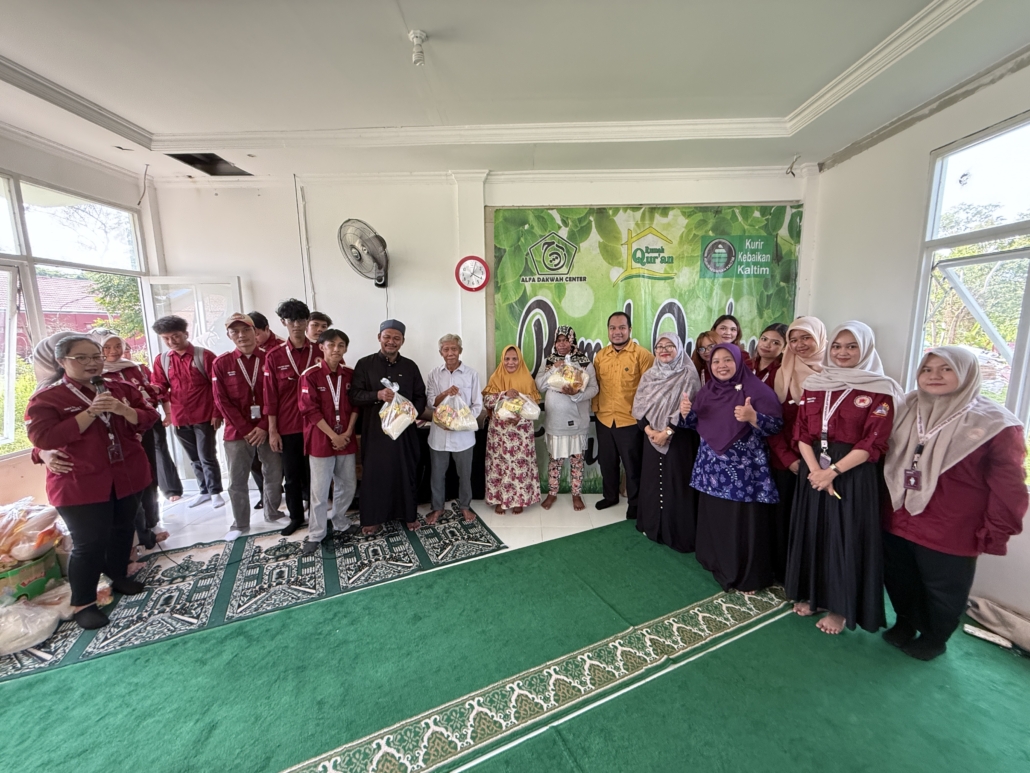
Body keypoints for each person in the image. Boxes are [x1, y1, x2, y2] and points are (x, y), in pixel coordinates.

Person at [883, 347, 1027, 661]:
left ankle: (935, 637)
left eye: (946, 368)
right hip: (897, 514)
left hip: (950, 525)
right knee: (898, 576)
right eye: (927, 369)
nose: (934, 376)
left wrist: (995, 531)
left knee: (943, 588)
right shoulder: (905, 407)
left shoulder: (996, 425)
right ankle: (905, 621)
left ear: (966, 373)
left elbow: (1009, 487)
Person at [25, 335, 159, 629]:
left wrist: (124, 410)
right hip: (80, 482)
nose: (92, 363)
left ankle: (118, 575)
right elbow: (43, 438)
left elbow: (150, 417)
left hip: (127, 474)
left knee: (123, 528)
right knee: (89, 542)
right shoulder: (48, 398)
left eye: (96, 356)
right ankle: (83, 603)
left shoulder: (120, 389)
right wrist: (90, 413)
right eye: (82, 358)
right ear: (61, 361)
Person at [785, 321, 902, 635]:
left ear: (865, 349)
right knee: (814, 532)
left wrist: (832, 472)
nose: (842, 352)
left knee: (844, 537)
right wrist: (816, 472)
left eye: (852, 346)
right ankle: (814, 595)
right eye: (837, 346)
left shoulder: (880, 388)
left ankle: (839, 607)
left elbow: (873, 441)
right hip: (814, 470)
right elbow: (802, 434)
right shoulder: (816, 383)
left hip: (852, 474)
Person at [677, 344, 782, 591]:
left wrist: (753, 417)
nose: (721, 366)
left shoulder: (757, 391)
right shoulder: (708, 390)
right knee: (715, 517)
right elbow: (697, 424)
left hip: (742, 473)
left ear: (738, 362)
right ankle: (713, 560)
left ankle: (741, 572)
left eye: (727, 360)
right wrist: (686, 414)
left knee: (739, 522)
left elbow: (777, 426)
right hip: (711, 469)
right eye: (715, 361)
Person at [211, 314, 285, 540]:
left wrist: (263, 426)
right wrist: (245, 429)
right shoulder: (221, 363)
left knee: (274, 472)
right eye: (235, 332)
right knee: (237, 479)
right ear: (229, 336)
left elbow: (277, 396)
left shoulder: (270, 358)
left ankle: (273, 512)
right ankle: (240, 524)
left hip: (268, 427)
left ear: (256, 332)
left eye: (246, 330)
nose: (241, 335)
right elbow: (221, 401)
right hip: (237, 432)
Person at [349, 320, 427, 533]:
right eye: (387, 337)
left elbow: (420, 396)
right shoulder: (365, 364)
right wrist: (378, 395)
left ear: (402, 341)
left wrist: (410, 413)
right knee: (376, 474)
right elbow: (355, 395)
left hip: (404, 432)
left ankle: (408, 514)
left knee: (406, 471)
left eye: (396, 338)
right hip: (376, 432)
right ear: (379, 338)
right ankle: (374, 517)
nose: (391, 342)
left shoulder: (410, 366)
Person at [766, 316, 827, 582]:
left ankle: (812, 578)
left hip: (825, 466)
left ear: (820, 339)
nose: (799, 344)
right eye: (793, 339)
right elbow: (771, 422)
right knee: (783, 519)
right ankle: (785, 574)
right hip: (787, 462)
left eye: (806, 338)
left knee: (815, 524)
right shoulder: (781, 375)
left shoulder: (834, 375)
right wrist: (788, 458)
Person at [100, 334, 170, 549]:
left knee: (147, 474)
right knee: (123, 485)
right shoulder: (95, 377)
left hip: (142, 427)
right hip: (114, 438)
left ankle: (152, 521)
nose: (113, 351)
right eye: (107, 347)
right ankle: (136, 535)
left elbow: (149, 396)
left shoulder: (134, 368)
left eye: (117, 346)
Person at [632, 334, 701, 552]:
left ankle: (676, 533)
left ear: (679, 348)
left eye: (670, 345)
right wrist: (650, 431)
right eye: (659, 346)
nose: (664, 350)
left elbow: (690, 408)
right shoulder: (649, 376)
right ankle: (653, 527)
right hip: (652, 437)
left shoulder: (688, 374)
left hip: (679, 440)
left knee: (676, 485)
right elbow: (639, 408)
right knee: (652, 483)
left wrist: (668, 432)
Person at [150, 315, 223, 509]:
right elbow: (160, 385)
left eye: (175, 336)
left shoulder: (204, 356)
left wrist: (217, 413)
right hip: (180, 417)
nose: (171, 341)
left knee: (207, 455)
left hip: (204, 414)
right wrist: (153, 390)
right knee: (194, 457)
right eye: (166, 338)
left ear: (185, 334)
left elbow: (218, 388)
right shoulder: (162, 360)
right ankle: (204, 490)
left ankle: (215, 491)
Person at [298, 328, 360, 555]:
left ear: (346, 349)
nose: (336, 349)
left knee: (348, 484)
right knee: (320, 490)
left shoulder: (350, 374)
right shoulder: (310, 375)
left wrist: (347, 433)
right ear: (321, 347)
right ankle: (316, 533)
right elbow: (309, 410)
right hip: (321, 440)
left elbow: (356, 406)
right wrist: (334, 436)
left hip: (346, 438)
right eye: (331, 345)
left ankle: (341, 521)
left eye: (341, 345)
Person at [591, 311, 654, 519]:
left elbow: (650, 390)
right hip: (604, 419)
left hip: (630, 420)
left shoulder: (642, 355)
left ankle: (635, 503)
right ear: (608, 330)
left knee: (632, 465)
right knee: (607, 462)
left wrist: (645, 418)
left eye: (621, 327)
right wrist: (595, 409)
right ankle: (610, 496)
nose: (617, 332)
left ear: (629, 329)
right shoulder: (601, 356)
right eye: (613, 328)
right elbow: (596, 386)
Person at [264, 298, 315, 535]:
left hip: (316, 425)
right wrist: (273, 430)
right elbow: (270, 397)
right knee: (292, 477)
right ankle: (296, 517)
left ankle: (317, 516)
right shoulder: (274, 356)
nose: (296, 325)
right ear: (283, 322)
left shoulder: (320, 351)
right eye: (291, 320)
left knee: (316, 474)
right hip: (289, 426)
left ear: (307, 321)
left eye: (301, 319)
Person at [535, 326, 598, 512]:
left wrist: (576, 395)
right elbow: (539, 386)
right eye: (559, 340)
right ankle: (552, 493)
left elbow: (594, 388)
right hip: (555, 422)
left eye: (566, 340)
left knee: (577, 460)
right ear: (555, 342)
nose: (562, 344)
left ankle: (576, 494)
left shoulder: (584, 362)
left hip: (577, 422)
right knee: (555, 460)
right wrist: (554, 369)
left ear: (572, 341)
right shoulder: (549, 361)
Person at [426, 334, 484, 524]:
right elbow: (431, 403)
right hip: (439, 434)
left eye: (454, 349)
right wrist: (445, 393)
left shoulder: (471, 374)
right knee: (437, 474)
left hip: (463, 436)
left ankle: (465, 506)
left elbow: (477, 405)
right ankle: (437, 508)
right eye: (446, 349)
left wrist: (460, 422)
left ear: (460, 351)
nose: (450, 353)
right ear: (440, 352)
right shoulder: (434, 374)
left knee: (465, 475)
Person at [483, 346, 541, 514]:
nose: (510, 362)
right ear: (502, 360)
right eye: (507, 359)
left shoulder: (527, 379)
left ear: (520, 360)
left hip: (520, 432)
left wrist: (520, 418)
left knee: (519, 466)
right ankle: (500, 499)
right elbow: (487, 401)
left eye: (514, 359)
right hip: (499, 433)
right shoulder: (496, 377)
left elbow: (534, 408)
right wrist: (503, 394)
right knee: (500, 465)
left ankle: (519, 500)